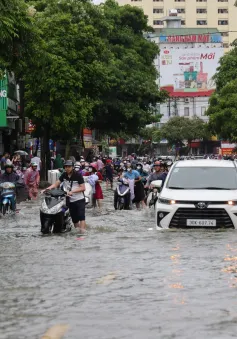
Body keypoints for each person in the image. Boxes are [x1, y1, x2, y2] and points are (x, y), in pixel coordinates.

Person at [43, 160, 86, 232]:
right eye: (66, 167)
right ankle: (78, 232)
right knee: (75, 220)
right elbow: (56, 184)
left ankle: (82, 233)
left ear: (72, 167)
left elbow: (83, 188)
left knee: (81, 217)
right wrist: (46, 189)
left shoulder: (78, 175)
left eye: (69, 167)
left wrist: (72, 191)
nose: (67, 168)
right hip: (70, 200)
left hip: (79, 199)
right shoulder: (64, 175)